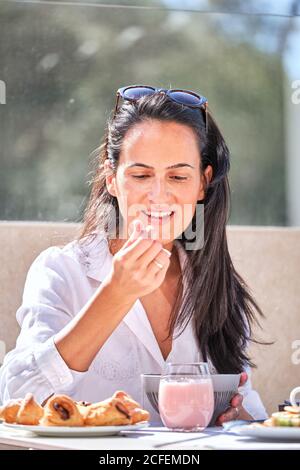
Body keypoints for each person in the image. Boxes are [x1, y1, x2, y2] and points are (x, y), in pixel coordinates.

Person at [0, 85, 268, 424]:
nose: (159, 195)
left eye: (178, 176)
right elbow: (17, 397)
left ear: (202, 182)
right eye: (141, 175)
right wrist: (116, 295)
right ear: (112, 179)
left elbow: (249, 411)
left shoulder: (214, 284)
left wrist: (237, 416)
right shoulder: (61, 271)